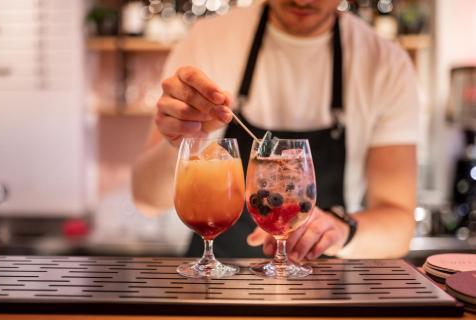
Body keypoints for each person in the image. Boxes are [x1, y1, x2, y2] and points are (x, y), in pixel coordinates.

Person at [132, 0, 419, 260]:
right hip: (218, 283)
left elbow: (398, 226)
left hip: (321, 291)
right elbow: (146, 200)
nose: (302, 1)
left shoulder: (384, 64)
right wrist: (180, 143)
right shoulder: (208, 41)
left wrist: (341, 230)